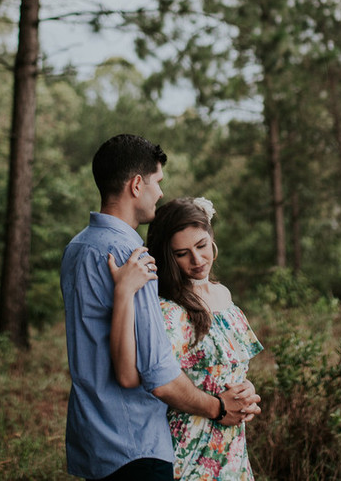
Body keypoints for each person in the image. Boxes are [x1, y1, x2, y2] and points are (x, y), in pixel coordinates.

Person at [61, 135, 261, 481]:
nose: (160, 192)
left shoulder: (77, 247)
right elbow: (155, 374)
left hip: (93, 436)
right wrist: (219, 407)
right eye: (157, 182)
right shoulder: (132, 257)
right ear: (137, 184)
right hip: (136, 441)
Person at [109, 196, 264, 481]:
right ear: (168, 257)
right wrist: (219, 406)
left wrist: (245, 391)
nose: (197, 260)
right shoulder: (169, 310)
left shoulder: (223, 294)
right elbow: (159, 382)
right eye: (182, 253)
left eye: (201, 245)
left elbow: (228, 367)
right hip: (191, 446)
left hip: (232, 447)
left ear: (211, 237)